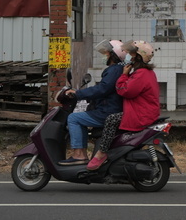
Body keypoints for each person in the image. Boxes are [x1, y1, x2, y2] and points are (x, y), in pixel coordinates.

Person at [87, 40, 161, 170]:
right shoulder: (142, 73)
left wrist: (123, 75)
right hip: (141, 111)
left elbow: (124, 91)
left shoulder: (141, 74)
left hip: (141, 114)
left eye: (131, 54)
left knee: (111, 119)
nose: (128, 56)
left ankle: (101, 153)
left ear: (138, 57)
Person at [58, 39, 125, 166]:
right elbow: (105, 91)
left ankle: (79, 155)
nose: (104, 56)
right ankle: (81, 153)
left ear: (113, 55)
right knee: (80, 119)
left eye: (106, 54)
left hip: (107, 111)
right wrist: (86, 96)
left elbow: (103, 89)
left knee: (73, 118)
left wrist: (78, 93)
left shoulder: (114, 70)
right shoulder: (116, 69)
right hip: (108, 108)